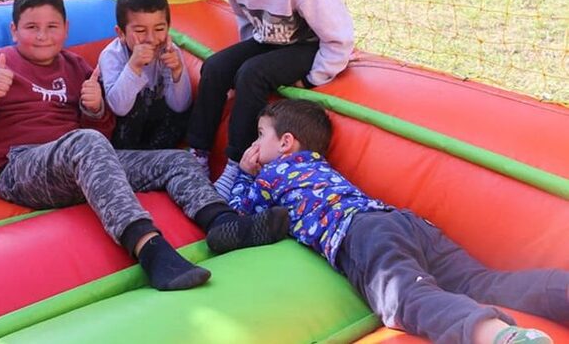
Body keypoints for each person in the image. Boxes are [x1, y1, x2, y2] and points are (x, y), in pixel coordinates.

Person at [0, 0, 290, 292]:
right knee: (86, 143)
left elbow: (103, 133)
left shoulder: (76, 67)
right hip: (21, 167)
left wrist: (94, 112)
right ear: (14, 30)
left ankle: (223, 223)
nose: (43, 35)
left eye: (51, 27)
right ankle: (151, 251)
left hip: (74, 166)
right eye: (32, 27)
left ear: (66, 29)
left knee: (176, 159)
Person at [226, 98, 569, 344]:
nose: (255, 145)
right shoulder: (320, 166)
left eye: (259, 136)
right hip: (404, 222)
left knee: (406, 298)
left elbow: (238, 214)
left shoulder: (271, 174)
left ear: (286, 142)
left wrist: (244, 173)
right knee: (484, 282)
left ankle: (499, 336)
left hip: (361, 232)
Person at [186, 0, 354, 198]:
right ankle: (197, 154)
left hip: (308, 45)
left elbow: (339, 36)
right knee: (215, 66)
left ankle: (236, 165)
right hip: (269, 40)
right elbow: (247, 24)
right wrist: (237, 62)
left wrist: (314, 77)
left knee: (252, 74)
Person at [98, 0, 192, 150]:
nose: (151, 38)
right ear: (120, 33)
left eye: (159, 29)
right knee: (136, 107)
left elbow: (180, 106)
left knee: (186, 114)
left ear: (168, 28)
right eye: (140, 30)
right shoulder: (112, 55)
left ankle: (160, 156)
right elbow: (119, 108)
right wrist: (134, 66)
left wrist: (177, 72)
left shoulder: (170, 52)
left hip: (158, 132)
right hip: (123, 137)